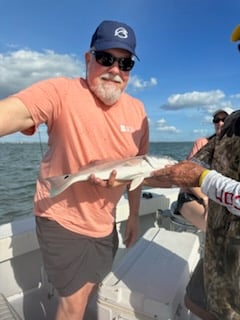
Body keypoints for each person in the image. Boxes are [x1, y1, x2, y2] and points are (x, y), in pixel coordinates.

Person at [0, 20, 149, 320]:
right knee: (74, 303)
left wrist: (132, 216)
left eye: (126, 63)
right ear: (88, 58)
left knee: (90, 288)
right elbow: (12, 113)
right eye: (106, 58)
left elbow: (138, 171)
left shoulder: (138, 111)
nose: (116, 70)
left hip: (105, 223)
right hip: (61, 218)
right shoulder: (60, 92)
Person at [144, 24, 240, 320]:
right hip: (215, 254)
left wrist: (202, 181)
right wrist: (132, 174)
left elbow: (198, 175)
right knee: (193, 302)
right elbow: (191, 166)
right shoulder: (234, 122)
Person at [174, 109, 229, 231]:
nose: (220, 123)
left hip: (219, 200)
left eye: (224, 119)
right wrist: (205, 199)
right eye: (216, 120)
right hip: (192, 196)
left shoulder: (230, 149)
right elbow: (186, 175)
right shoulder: (203, 143)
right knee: (218, 228)